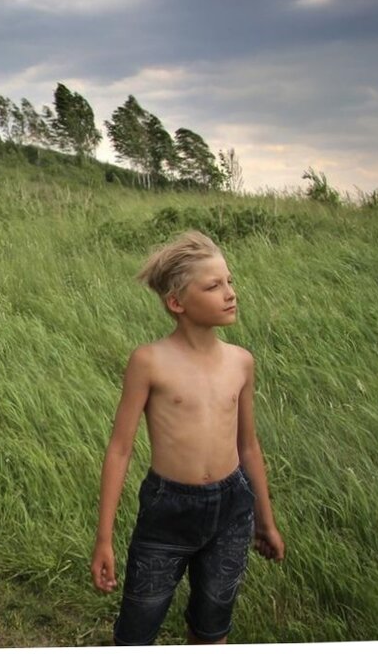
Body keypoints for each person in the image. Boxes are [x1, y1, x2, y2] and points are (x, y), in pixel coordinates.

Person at [90, 230, 285, 645]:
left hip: (233, 509)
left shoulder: (241, 363)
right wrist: (104, 539)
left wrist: (265, 521)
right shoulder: (149, 362)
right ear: (177, 303)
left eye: (229, 281)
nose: (230, 293)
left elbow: (248, 447)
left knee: (213, 625)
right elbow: (120, 449)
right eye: (214, 286)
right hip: (168, 511)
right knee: (138, 626)